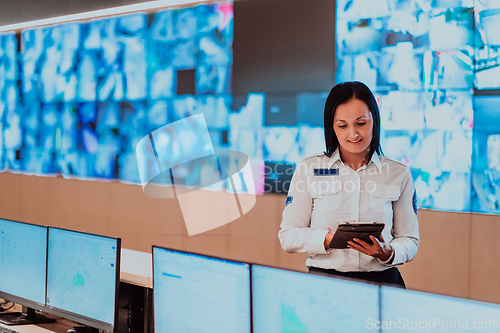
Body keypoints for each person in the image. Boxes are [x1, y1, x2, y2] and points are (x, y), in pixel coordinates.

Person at [278, 81, 419, 288]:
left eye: (361, 123)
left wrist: (388, 252)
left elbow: (409, 239)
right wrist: (327, 239)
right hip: (324, 283)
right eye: (342, 126)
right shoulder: (309, 169)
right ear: (332, 127)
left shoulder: (399, 173)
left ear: (374, 121)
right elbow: (288, 235)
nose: (353, 134)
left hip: (383, 284)